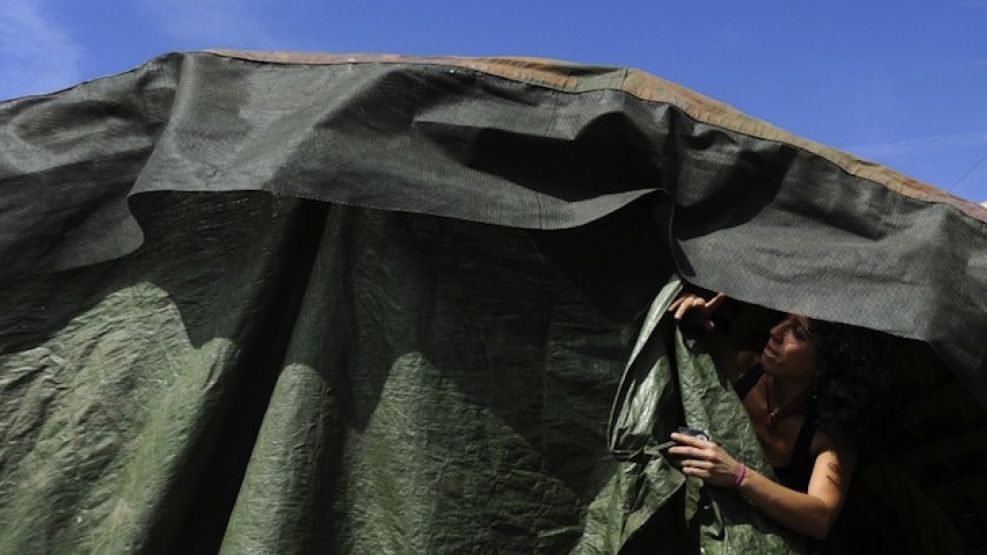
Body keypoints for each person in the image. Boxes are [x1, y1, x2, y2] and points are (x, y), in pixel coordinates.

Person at [664, 291, 893, 541]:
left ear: (828, 362)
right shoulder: (742, 369)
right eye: (784, 318)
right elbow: (682, 336)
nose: (775, 331)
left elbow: (820, 517)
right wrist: (687, 316)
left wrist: (737, 474)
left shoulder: (829, 433)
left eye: (798, 333)